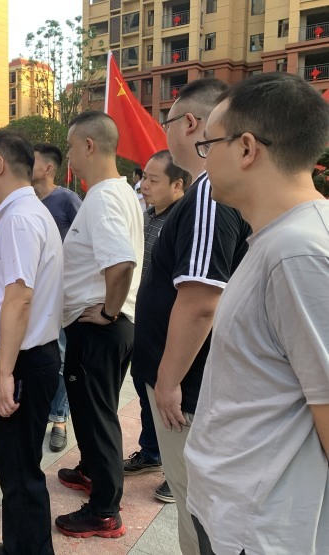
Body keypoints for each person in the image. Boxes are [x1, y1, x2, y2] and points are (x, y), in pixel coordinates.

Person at [185, 73, 329, 555]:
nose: (204, 160)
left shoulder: (300, 252)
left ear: (246, 148)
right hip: (235, 510)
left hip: (261, 527)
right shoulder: (278, 240)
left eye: (209, 145)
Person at [130, 78, 251, 555]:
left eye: (167, 122)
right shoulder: (206, 195)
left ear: (190, 123)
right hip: (191, 386)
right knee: (193, 504)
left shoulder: (206, 198)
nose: (165, 132)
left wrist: (168, 380)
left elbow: (200, 300)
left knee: (196, 508)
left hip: (189, 391)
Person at [55, 112, 144, 539]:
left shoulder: (105, 197)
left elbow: (121, 262)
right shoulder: (119, 192)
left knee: (97, 415)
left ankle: (105, 510)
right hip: (105, 326)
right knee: (93, 409)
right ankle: (92, 470)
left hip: (101, 326)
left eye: (71, 147)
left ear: (89, 145)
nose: (69, 156)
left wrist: (108, 310)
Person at [0, 130, 63, 555]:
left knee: (21, 472)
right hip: (17, 356)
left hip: (22, 362)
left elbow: (20, 298)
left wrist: (5, 371)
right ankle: (19, 546)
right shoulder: (23, 214)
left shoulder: (21, 219)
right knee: (15, 468)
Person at [126, 150, 190, 504]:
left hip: (172, 329)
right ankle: (151, 453)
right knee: (144, 391)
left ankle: (177, 472)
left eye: (153, 180)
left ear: (178, 184)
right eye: (144, 178)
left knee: (171, 400)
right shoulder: (147, 216)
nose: (143, 185)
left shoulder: (184, 222)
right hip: (143, 321)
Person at [31, 142, 82, 452]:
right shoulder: (25, 200)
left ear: (48, 168)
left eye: (33, 160)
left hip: (61, 296)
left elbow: (86, 244)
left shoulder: (67, 200)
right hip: (30, 296)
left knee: (61, 358)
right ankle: (37, 411)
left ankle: (59, 419)